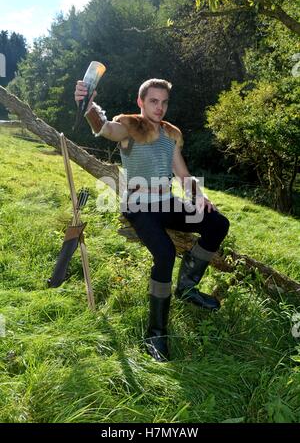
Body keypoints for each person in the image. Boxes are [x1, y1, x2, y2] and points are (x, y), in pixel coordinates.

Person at [74, 78, 230, 362]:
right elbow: (104, 128)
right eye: (153, 101)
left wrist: (199, 196)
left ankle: (187, 286)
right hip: (139, 205)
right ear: (141, 102)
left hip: (167, 202)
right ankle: (156, 333)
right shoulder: (130, 126)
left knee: (218, 223)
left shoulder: (170, 134)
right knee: (165, 253)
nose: (159, 108)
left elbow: (183, 176)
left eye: (164, 102)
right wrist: (89, 107)